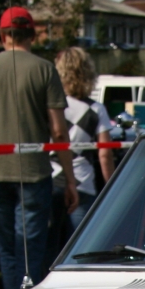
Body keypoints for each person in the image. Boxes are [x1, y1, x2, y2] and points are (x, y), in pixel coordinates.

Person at [0, 7, 77, 289]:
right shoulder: (44, 69)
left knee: (7, 249)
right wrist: (71, 179)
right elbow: (59, 130)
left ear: (2, 35)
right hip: (33, 174)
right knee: (31, 251)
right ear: (32, 35)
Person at [51, 45, 116, 230]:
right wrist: (112, 187)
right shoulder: (96, 110)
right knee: (80, 250)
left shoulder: (51, 108)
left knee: (49, 248)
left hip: (51, 181)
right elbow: (105, 155)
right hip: (82, 183)